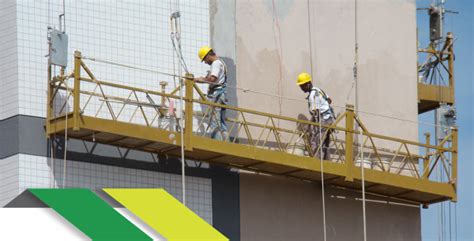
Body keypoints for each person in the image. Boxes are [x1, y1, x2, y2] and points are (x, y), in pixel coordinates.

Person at [297, 72, 335, 160]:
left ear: (308, 83)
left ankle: (317, 161)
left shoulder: (312, 95)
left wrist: (310, 125)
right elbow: (329, 100)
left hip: (323, 120)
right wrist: (323, 105)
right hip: (329, 119)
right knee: (325, 142)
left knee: (315, 141)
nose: (302, 88)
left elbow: (316, 113)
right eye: (300, 86)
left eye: (303, 86)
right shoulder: (318, 90)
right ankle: (326, 161)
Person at [194, 46, 228, 141]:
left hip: (217, 95)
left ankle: (217, 144)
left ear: (208, 55)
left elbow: (213, 79)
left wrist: (199, 79)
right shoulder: (221, 62)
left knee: (215, 122)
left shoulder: (216, 63)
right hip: (222, 95)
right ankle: (226, 144)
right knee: (221, 123)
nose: (205, 62)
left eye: (204, 59)